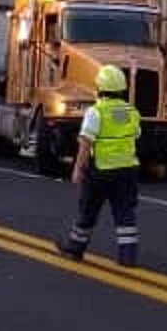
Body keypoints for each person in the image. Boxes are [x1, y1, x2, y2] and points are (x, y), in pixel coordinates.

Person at [55, 64, 143, 266]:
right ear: (122, 88)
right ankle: (128, 256)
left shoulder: (96, 112)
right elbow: (136, 135)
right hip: (127, 171)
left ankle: (75, 248)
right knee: (125, 213)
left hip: (100, 171)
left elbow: (86, 142)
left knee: (88, 210)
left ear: (100, 88)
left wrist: (77, 168)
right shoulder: (132, 112)